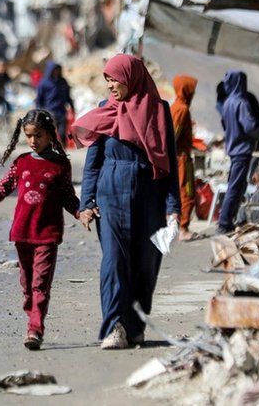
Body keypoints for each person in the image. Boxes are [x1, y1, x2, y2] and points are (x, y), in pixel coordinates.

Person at [74, 54, 180, 350]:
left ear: (131, 78)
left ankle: (135, 326)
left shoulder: (159, 111)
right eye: (106, 78)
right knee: (114, 262)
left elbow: (170, 164)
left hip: (151, 197)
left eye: (114, 78)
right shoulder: (105, 111)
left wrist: (174, 209)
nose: (109, 84)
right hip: (111, 196)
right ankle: (114, 327)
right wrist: (86, 203)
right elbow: (93, 163)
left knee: (147, 263)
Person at [0, 109, 81, 351]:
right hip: (22, 233)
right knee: (26, 285)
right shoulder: (21, 162)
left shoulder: (60, 164)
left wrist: (81, 212)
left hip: (47, 234)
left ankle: (35, 329)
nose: (33, 141)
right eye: (29, 136)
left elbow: (67, 196)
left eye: (39, 136)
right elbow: (3, 186)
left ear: (50, 135)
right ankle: (31, 313)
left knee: (40, 284)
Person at [217, 70, 259, 233]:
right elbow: (249, 126)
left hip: (233, 148)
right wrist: (258, 133)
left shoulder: (228, 102)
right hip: (242, 150)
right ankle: (224, 223)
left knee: (237, 185)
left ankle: (228, 219)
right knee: (234, 187)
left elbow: (224, 125)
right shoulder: (242, 103)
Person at [171, 75, 198, 241]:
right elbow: (174, 135)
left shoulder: (174, 106)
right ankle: (183, 229)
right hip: (181, 158)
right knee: (187, 191)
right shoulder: (182, 109)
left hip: (178, 156)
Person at [36, 62, 73, 142]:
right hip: (49, 110)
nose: (56, 72)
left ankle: (63, 150)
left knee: (62, 133)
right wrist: (39, 111)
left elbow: (67, 96)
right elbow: (39, 98)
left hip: (61, 111)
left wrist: (72, 107)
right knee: (49, 132)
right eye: (55, 70)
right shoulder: (44, 82)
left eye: (58, 70)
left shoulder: (63, 82)